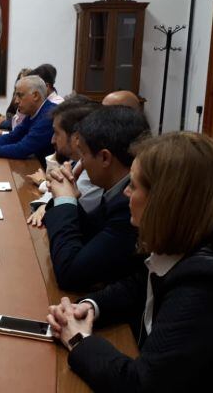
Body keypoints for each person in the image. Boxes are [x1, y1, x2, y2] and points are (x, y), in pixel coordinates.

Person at [46, 132, 213, 392]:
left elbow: (141, 385)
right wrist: (91, 307)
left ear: (166, 201)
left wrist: (79, 341)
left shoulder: (210, 281)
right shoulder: (196, 233)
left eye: (134, 186)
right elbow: (141, 283)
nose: (125, 193)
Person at [43, 106, 150, 291]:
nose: (80, 163)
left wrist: (65, 202)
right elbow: (92, 234)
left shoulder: (129, 203)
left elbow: (70, 274)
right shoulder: (115, 188)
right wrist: (70, 200)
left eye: (83, 154)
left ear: (105, 158)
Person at [25, 96, 103, 227]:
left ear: (76, 137)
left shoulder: (93, 171)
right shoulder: (79, 161)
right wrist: (46, 203)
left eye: (56, 133)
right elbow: (58, 191)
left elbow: (66, 215)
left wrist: (48, 206)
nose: (52, 140)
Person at [0, 75, 56, 163]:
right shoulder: (33, 112)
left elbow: (21, 150)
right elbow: (13, 137)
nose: (16, 101)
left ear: (35, 96)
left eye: (20, 96)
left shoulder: (48, 116)